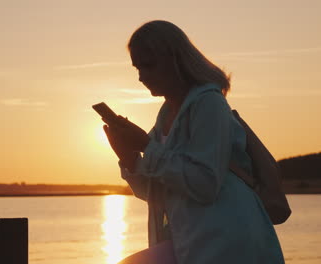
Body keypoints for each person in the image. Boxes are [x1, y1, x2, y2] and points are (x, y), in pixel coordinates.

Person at [102, 20, 285, 264]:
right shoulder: (166, 115)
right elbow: (162, 193)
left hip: (228, 241)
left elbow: (204, 184)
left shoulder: (209, 103)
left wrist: (146, 146)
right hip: (193, 243)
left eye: (148, 66)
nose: (141, 77)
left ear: (174, 60)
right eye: (137, 68)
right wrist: (129, 157)